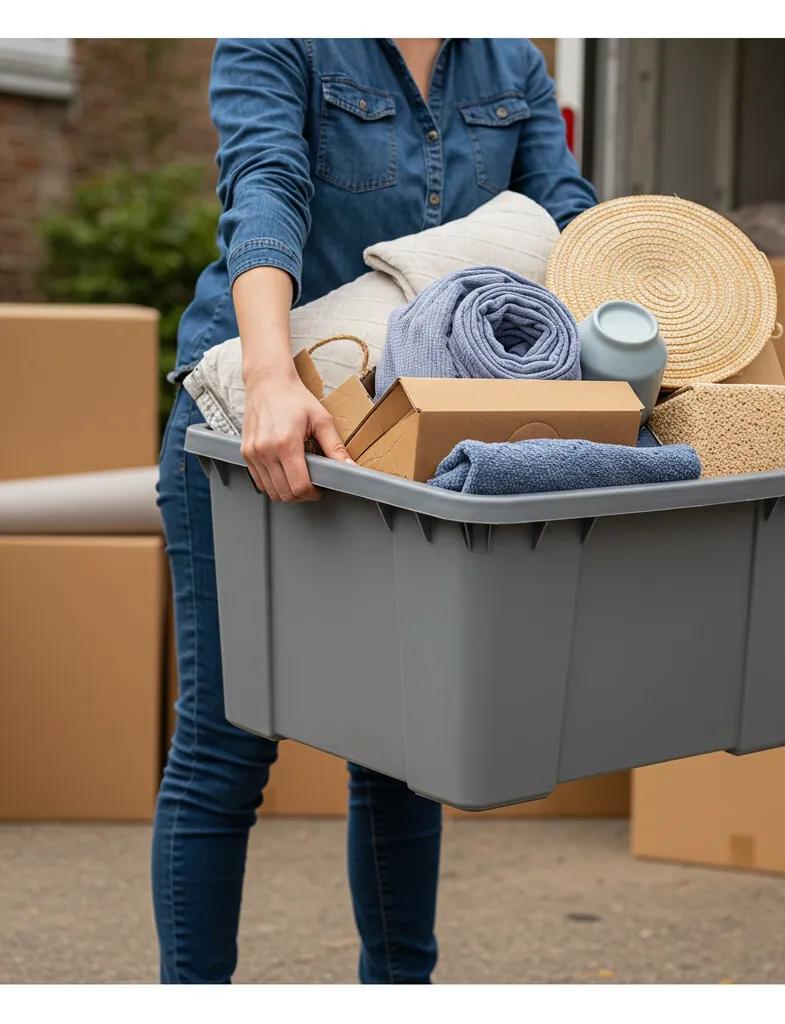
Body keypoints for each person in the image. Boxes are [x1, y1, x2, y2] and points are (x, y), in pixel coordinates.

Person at [154, 37, 596, 984]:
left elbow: (565, 216)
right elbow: (264, 188)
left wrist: (664, 312)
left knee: (405, 747)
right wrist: (272, 380)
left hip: (408, 426)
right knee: (226, 744)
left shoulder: (509, 64)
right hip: (252, 421)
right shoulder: (281, 39)